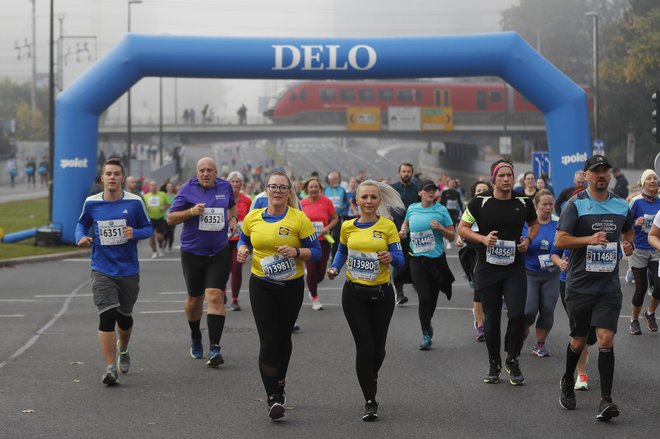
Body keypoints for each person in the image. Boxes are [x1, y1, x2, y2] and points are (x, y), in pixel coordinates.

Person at [236, 171, 321, 420]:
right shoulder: (253, 217)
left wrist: (296, 251)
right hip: (261, 284)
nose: (277, 191)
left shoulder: (299, 219)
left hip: (291, 286)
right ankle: (272, 396)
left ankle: (280, 382)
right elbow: (243, 239)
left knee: (284, 339)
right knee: (269, 340)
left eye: (282, 188)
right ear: (266, 190)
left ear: (289, 192)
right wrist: (242, 249)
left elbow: (315, 252)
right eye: (273, 187)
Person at [556, 154, 634, 421]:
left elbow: (629, 231)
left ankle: (606, 401)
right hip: (579, 285)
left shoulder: (621, 205)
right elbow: (561, 240)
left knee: (606, 338)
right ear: (586, 175)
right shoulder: (575, 204)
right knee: (578, 340)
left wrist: (628, 244)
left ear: (610, 175)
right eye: (596, 171)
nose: (601, 175)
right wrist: (589, 239)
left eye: (605, 171)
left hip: (608, 286)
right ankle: (568, 381)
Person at [327, 180, 405, 421]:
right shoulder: (347, 226)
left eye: (373, 197)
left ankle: (369, 376)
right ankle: (370, 399)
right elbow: (341, 251)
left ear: (379, 201)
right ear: (356, 201)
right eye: (365, 198)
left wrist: (390, 256)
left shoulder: (388, 226)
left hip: (382, 295)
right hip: (354, 295)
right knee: (365, 346)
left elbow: (401, 260)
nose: (369, 202)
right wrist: (335, 268)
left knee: (378, 349)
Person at [458, 160, 539, 386]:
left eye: (510, 176)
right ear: (493, 179)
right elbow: (462, 229)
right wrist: (483, 239)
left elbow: (534, 224)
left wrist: (528, 240)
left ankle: (512, 359)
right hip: (487, 267)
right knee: (492, 318)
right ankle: (494, 363)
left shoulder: (523, 201)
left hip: (514, 267)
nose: (506, 179)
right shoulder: (480, 202)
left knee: (516, 314)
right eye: (501, 175)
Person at [75, 158, 153, 385]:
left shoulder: (135, 202)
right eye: (108, 173)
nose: (112, 177)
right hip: (101, 268)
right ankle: (110, 367)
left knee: (124, 317)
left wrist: (134, 233)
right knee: (107, 315)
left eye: (116, 174)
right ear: (102, 178)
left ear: (122, 178)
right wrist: (80, 236)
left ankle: (124, 348)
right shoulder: (91, 203)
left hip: (128, 269)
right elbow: (81, 223)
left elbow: (148, 228)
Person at [167, 158, 237, 367]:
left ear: (216, 172)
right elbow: (170, 219)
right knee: (194, 300)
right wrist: (190, 212)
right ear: (197, 173)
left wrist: (232, 219)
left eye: (209, 170)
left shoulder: (225, 187)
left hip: (219, 250)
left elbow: (231, 207)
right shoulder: (187, 189)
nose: (205, 174)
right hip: (193, 253)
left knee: (215, 295)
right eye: (202, 171)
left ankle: (215, 348)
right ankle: (196, 335)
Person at [400, 179, 455, 350]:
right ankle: (425, 333)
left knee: (432, 299)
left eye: (434, 190)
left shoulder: (441, 210)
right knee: (423, 298)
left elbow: (452, 236)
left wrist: (440, 228)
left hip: (436, 261)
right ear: (420, 193)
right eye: (428, 190)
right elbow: (406, 224)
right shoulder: (412, 208)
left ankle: (427, 322)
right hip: (417, 259)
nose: (432, 193)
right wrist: (403, 231)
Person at [523, 189, 561, 357]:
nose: (548, 208)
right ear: (535, 205)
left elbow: (564, 243)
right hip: (529, 273)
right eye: (544, 204)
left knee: (547, 309)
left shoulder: (559, 224)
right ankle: (523, 328)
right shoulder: (526, 225)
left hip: (551, 273)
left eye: (551, 204)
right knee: (529, 310)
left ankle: (540, 344)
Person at [456, 180, 492, 341]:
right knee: (478, 288)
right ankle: (480, 325)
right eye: (479, 190)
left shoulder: (495, 207)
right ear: (474, 193)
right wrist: (459, 237)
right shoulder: (470, 207)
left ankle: (487, 319)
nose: (482, 192)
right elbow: (463, 226)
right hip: (473, 251)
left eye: (485, 190)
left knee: (488, 291)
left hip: (492, 251)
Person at [627, 169, 660, 334]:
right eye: (649, 178)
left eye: (655, 178)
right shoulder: (636, 201)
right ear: (643, 183)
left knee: (659, 286)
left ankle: (650, 313)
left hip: (657, 249)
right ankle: (634, 320)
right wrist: (636, 223)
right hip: (639, 249)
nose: (653, 181)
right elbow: (624, 225)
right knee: (641, 288)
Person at [300, 176, 339, 310]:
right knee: (311, 271)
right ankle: (315, 299)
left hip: (323, 242)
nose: (314, 189)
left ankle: (312, 286)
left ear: (320, 189)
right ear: (307, 189)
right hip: (308, 243)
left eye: (316, 186)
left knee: (321, 274)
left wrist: (327, 228)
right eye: (311, 187)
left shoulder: (326, 202)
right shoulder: (302, 203)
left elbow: (335, 218)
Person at [390, 162, 420, 305]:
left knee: (413, 261)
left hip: (414, 232)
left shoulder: (417, 189)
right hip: (395, 232)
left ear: (412, 173)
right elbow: (384, 206)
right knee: (398, 262)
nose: (406, 174)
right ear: (399, 173)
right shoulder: (393, 189)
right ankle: (399, 292)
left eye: (409, 171)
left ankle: (416, 281)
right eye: (404, 171)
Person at [226, 171, 253, 311]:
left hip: (240, 240)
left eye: (237, 181)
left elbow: (250, 219)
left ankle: (234, 299)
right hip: (223, 239)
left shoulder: (247, 200)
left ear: (241, 184)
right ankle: (222, 293)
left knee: (236, 268)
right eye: (232, 181)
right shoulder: (222, 198)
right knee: (223, 268)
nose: (235, 184)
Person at [325, 171, 349, 259]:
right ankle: (328, 250)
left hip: (337, 217)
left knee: (335, 237)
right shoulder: (325, 189)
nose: (336, 181)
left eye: (337, 179)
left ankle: (334, 254)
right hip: (327, 218)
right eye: (334, 179)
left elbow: (346, 201)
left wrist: (343, 206)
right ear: (329, 180)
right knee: (326, 236)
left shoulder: (342, 190)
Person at [143, 180, 170, 259]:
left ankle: (161, 245)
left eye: (155, 185)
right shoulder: (145, 196)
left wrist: (164, 208)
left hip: (160, 218)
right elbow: (142, 207)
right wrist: (146, 208)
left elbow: (168, 204)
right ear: (149, 187)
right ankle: (154, 252)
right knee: (151, 237)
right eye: (152, 185)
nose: (154, 187)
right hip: (150, 219)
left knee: (160, 236)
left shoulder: (162, 194)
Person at [162, 182, 177, 254]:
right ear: (166, 188)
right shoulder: (163, 196)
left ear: (172, 188)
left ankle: (170, 247)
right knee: (165, 233)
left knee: (171, 233)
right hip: (164, 217)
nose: (169, 188)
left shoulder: (175, 196)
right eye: (168, 186)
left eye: (171, 186)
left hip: (173, 217)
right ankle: (164, 244)